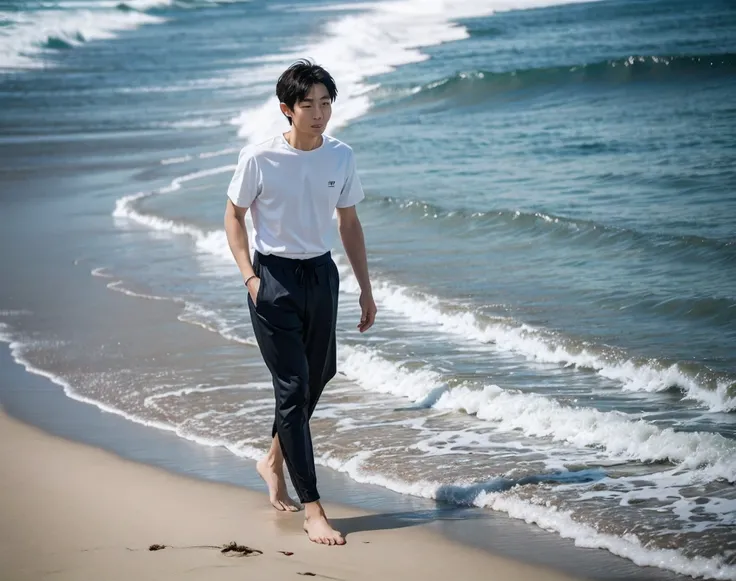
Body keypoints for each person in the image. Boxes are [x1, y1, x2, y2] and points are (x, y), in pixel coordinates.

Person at [223, 59, 377, 546]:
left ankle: (271, 459)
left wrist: (366, 288)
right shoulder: (259, 158)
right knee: (292, 388)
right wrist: (251, 278)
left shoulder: (340, 156)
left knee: (320, 374)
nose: (318, 113)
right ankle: (313, 508)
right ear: (286, 109)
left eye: (325, 102)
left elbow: (348, 224)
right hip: (274, 278)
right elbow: (233, 217)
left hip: (321, 276)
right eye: (307, 104)